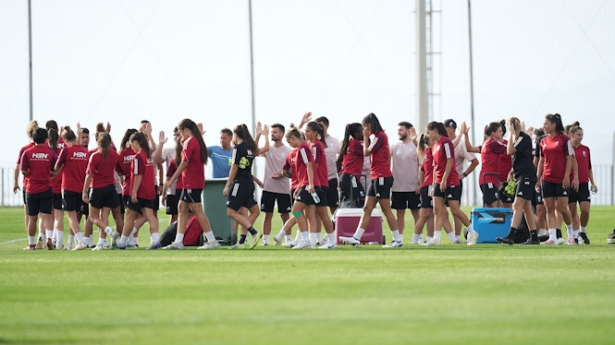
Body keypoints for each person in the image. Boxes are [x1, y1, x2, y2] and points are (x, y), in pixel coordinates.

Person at [339, 113, 400, 247]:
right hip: (375, 176)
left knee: (386, 209)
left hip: (382, 176)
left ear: (370, 125)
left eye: (365, 126)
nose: (365, 130)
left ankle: (397, 239)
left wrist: (366, 137)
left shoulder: (380, 137)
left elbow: (367, 152)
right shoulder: (376, 138)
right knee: (367, 208)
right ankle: (356, 237)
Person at [163, 119, 220, 250]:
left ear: (185, 130)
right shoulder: (195, 141)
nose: (180, 136)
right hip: (192, 181)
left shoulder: (190, 141)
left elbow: (184, 163)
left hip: (191, 182)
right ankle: (178, 241)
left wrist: (171, 180)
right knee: (182, 208)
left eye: (181, 132)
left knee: (197, 210)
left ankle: (212, 240)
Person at [426, 122, 478, 245]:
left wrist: (444, 179)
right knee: (437, 210)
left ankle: (472, 232)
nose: (428, 135)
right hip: (439, 182)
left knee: (455, 210)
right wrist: (434, 185)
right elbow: (435, 167)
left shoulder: (446, 142)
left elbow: (450, 161)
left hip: (451, 181)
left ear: (434, 130)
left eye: (429, 132)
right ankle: (436, 238)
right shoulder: (434, 146)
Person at [536, 114, 578, 245]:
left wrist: (567, 177)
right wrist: (538, 178)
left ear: (553, 125)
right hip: (547, 178)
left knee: (562, 208)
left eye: (546, 124)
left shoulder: (565, 140)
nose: (544, 126)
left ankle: (571, 234)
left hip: (561, 179)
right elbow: (541, 160)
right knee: (549, 208)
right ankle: (552, 237)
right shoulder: (543, 141)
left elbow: (570, 159)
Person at [224, 124, 267, 248]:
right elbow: (255, 150)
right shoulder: (250, 148)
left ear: (236, 135)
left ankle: (253, 232)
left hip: (239, 184)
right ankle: (242, 241)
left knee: (231, 212)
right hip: (249, 184)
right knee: (255, 211)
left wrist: (227, 185)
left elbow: (234, 167)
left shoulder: (237, 148)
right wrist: (259, 136)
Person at [496, 117, 538, 244]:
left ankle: (511, 235)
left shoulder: (522, 137)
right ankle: (534, 237)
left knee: (517, 205)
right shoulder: (519, 138)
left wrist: (510, 134)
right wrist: (512, 171)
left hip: (526, 176)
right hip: (521, 175)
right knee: (526, 208)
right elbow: (520, 158)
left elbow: (510, 151)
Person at [115, 132, 160, 250]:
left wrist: (134, 191)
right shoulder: (148, 155)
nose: (131, 147)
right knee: (150, 215)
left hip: (140, 191)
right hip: (150, 190)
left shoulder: (138, 157)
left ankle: (123, 241)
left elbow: (138, 175)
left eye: (131, 144)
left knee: (130, 216)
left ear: (136, 143)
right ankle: (155, 240)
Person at [278, 125, 317, 250]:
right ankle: (308, 241)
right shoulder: (301, 148)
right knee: (307, 212)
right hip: (303, 184)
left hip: (307, 184)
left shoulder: (303, 148)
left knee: (296, 210)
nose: (290, 145)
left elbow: (309, 166)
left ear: (294, 138)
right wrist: (300, 186)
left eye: (290, 142)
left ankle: (305, 239)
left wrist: (310, 184)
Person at [82, 132, 121, 250]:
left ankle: (110, 232)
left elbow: (89, 175)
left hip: (97, 188)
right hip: (110, 188)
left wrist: (84, 191)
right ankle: (101, 243)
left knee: (93, 217)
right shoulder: (114, 155)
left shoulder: (95, 156)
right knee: (104, 216)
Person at [20, 128, 57, 250]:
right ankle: (50, 239)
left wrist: (31, 175)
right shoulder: (50, 152)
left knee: (32, 218)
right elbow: (55, 169)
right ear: (46, 139)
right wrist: (50, 175)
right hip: (46, 187)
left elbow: (23, 170)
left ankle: (31, 244)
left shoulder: (27, 152)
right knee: (47, 216)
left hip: (32, 188)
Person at [55, 127, 89, 250]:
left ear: (65, 140)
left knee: (71, 216)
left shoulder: (66, 151)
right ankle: (70, 243)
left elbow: (56, 167)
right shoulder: (85, 152)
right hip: (81, 187)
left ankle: (80, 241)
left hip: (68, 187)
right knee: (75, 217)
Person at [387, 121, 420, 248]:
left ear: (408, 131)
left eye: (401, 130)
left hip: (413, 186)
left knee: (416, 212)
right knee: (399, 213)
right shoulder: (394, 146)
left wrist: (419, 183)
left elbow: (423, 163)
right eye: (398, 130)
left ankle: (418, 238)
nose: (399, 133)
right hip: (397, 186)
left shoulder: (415, 146)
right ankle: (398, 239)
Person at [446, 119, 479, 242]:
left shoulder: (460, 144)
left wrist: (464, 174)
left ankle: (457, 237)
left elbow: (475, 161)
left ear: (450, 130)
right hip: (441, 180)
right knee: (439, 210)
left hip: (455, 180)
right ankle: (444, 236)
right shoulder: (441, 142)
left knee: (455, 210)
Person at [305, 121, 336, 249]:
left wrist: (310, 182)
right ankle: (314, 240)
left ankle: (331, 241)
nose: (305, 133)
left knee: (323, 213)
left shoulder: (316, 146)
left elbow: (314, 166)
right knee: (314, 212)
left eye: (308, 131)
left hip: (320, 184)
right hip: (317, 183)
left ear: (315, 133)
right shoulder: (313, 145)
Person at [260, 123, 292, 246]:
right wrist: (263, 136)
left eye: (275, 132)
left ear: (282, 134)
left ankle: (288, 240)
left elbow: (292, 172)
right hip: (268, 187)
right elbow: (255, 152)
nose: (272, 134)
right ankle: (265, 241)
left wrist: (282, 174)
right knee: (268, 214)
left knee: (285, 215)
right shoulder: (268, 149)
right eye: (271, 132)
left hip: (283, 188)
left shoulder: (288, 151)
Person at [464, 122, 508, 208]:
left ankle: (479, 221)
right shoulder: (493, 144)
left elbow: (469, 148)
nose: (502, 133)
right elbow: (510, 149)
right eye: (499, 131)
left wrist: (466, 135)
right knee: (499, 206)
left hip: (489, 179)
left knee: (489, 207)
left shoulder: (486, 143)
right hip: (488, 179)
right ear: (493, 133)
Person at [568, 123, 594, 244]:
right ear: (571, 135)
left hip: (583, 183)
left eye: (582, 135)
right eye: (578, 135)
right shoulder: (567, 149)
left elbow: (589, 168)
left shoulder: (586, 149)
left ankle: (582, 231)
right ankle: (574, 236)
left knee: (585, 210)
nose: (581, 137)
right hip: (570, 184)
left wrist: (593, 183)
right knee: (572, 211)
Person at [14, 120, 38, 237]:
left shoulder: (25, 149)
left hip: (28, 185)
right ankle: (43, 238)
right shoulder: (45, 148)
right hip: (44, 184)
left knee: (28, 214)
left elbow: (17, 168)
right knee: (44, 215)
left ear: (29, 135)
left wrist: (15, 183)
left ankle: (31, 241)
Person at [155, 127, 181, 224]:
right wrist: (161, 144)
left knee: (188, 215)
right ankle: (171, 237)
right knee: (174, 215)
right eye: (175, 135)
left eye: (178, 134)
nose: (176, 137)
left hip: (185, 188)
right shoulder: (168, 150)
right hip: (173, 190)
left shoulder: (188, 150)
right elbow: (158, 161)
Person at [337, 123, 365, 208]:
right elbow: (368, 151)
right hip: (351, 177)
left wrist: (340, 174)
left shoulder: (347, 143)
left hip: (344, 176)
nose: (364, 133)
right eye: (362, 131)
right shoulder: (356, 144)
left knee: (345, 204)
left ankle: (337, 220)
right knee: (361, 200)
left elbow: (338, 161)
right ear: (357, 134)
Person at [47, 128, 65, 249]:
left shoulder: (46, 152)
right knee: (59, 217)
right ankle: (58, 242)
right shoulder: (62, 151)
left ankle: (49, 239)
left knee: (49, 216)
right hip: (60, 187)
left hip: (47, 187)